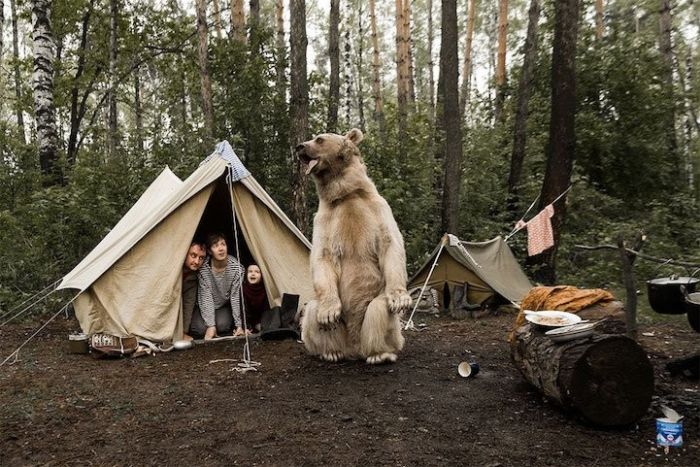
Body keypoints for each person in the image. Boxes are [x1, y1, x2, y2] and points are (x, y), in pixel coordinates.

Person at [190, 232, 246, 340]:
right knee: (200, 328)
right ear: (210, 251)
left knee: (223, 324)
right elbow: (206, 298)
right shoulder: (204, 268)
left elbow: (235, 297)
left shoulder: (236, 269)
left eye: (223, 244)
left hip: (222, 306)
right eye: (216, 246)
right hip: (204, 305)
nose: (221, 249)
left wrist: (239, 326)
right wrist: (211, 325)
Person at [181, 240, 207, 341]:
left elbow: (189, 303)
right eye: (193, 255)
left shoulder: (193, 277)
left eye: (201, 258)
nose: (197, 262)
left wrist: (183, 332)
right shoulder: (173, 268)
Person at [242, 263, 270, 333]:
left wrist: (260, 323)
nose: (253, 274)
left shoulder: (265, 289)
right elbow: (243, 310)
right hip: (247, 319)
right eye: (250, 271)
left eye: (257, 272)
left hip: (259, 319)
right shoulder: (243, 289)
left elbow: (266, 309)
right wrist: (246, 326)